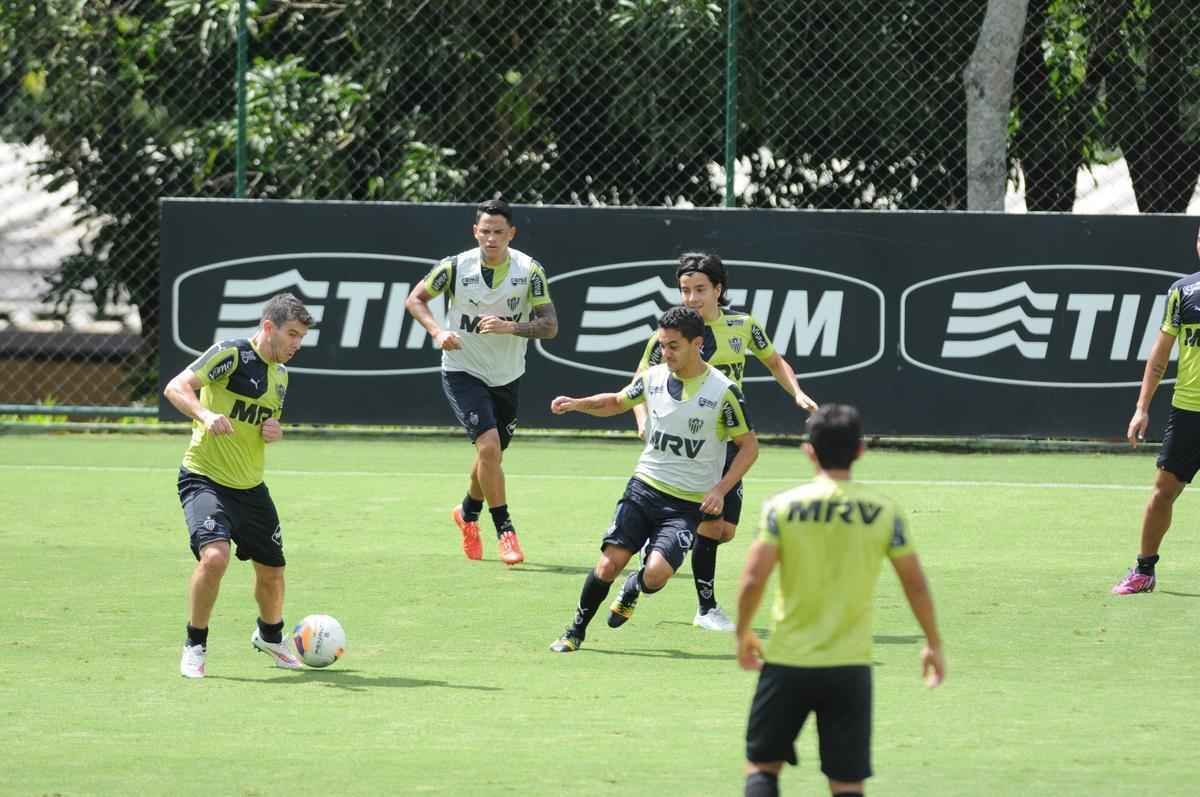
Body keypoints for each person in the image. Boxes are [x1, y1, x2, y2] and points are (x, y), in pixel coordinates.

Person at [735, 403, 945, 797]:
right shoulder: (884, 512)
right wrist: (932, 642)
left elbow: (751, 579)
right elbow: (915, 584)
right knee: (847, 783)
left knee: (762, 766)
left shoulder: (781, 508)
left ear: (809, 451)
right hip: (850, 668)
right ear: (861, 450)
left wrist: (743, 632)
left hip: (787, 661)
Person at [620, 252, 818, 632]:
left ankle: (658, 545)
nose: (691, 298)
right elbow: (638, 383)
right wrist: (642, 420)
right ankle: (706, 608)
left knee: (723, 530)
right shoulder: (668, 335)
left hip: (729, 439)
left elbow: (775, 362)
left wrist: (796, 392)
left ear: (718, 289)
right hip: (690, 446)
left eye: (699, 290)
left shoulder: (742, 326)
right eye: (684, 290)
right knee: (709, 526)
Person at [547, 306, 758, 652]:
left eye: (674, 345)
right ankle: (575, 631)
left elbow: (749, 447)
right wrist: (577, 404)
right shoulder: (653, 377)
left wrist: (721, 488)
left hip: (686, 505)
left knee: (657, 575)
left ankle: (633, 587)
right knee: (608, 563)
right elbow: (616, 401)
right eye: (662, 345)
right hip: (644, 488)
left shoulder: (724, 392)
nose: (666, 352)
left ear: (697, 344)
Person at [164, 292, 314, 679]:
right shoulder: (230, 354)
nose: (297, 344)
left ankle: (270, 636)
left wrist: (273, 431)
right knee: (214, 557)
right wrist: (204, 412)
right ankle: (195, 644)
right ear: (269, 327)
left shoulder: (281, 375)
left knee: (273, 572)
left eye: (301, 336)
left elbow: (264, 423)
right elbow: (176, 387)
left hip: (250, 487)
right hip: (204, 478)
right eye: (292, 334)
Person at [405, 198, 557, 566]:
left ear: (511, 234)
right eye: (484, 231)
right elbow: (416, 300)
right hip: (462, 370)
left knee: (491, 456)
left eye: (498, 232)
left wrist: (512, 327)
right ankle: (505, 531)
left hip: (507, 375)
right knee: (489, 448)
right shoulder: (455, 267)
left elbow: (550, 326)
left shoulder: (529, 271)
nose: (491, 238)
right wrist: (438, 331)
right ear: (475, 232)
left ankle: (467, 512)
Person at [1113, 225, 1200, 594]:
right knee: (1163, 491)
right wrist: (1141, 408)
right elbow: (1160, 355)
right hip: (1188, 411)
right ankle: (1144, 571)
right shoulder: (1183, 292)